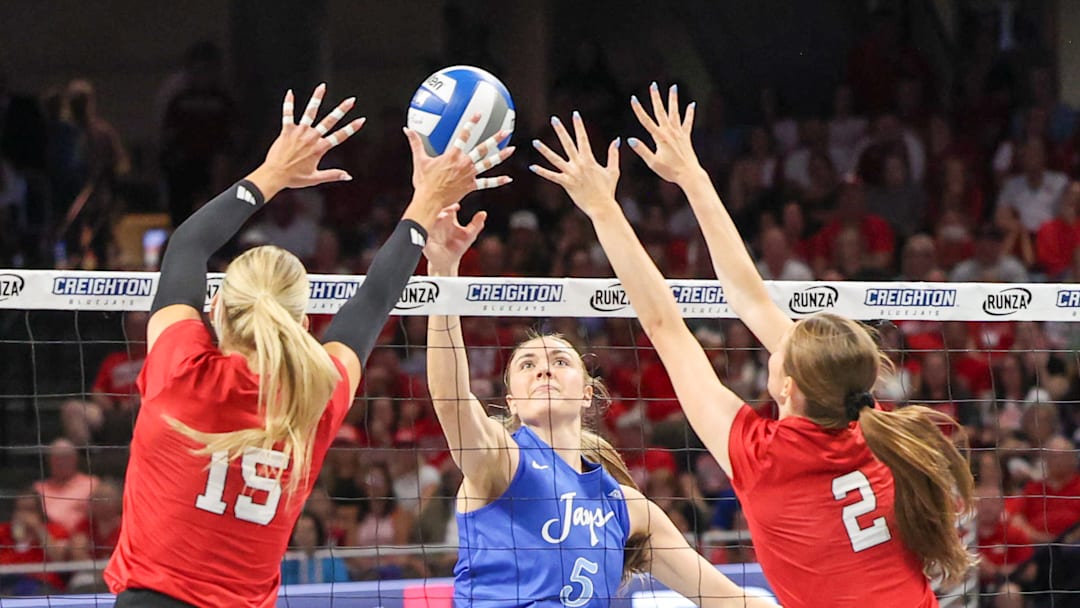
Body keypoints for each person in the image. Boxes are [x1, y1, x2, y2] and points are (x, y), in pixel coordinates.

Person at [529, 84, 975, 608]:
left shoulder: (763, 457)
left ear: (788, 386)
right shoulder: (869, 423)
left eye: (781, 348)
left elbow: (665, 324)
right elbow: (750, 299)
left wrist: (603, 208)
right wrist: (691, 176)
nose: (775, 341)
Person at [103, 85, 514, 607]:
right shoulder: (316, 393)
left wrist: (272, 173)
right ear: (301, 321)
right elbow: (374, 299)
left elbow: (186, 245)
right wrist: (425, 203)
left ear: (217, 307)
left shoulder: (180, 368)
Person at [423, 191, 777, 607]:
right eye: (527, 364)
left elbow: (727, 599)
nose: (544, 370)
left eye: (560, 361)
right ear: (512, 400)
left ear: (586, 393)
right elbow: (450, 399)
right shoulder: (500, 461)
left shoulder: (627, 507)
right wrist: (442, 273)